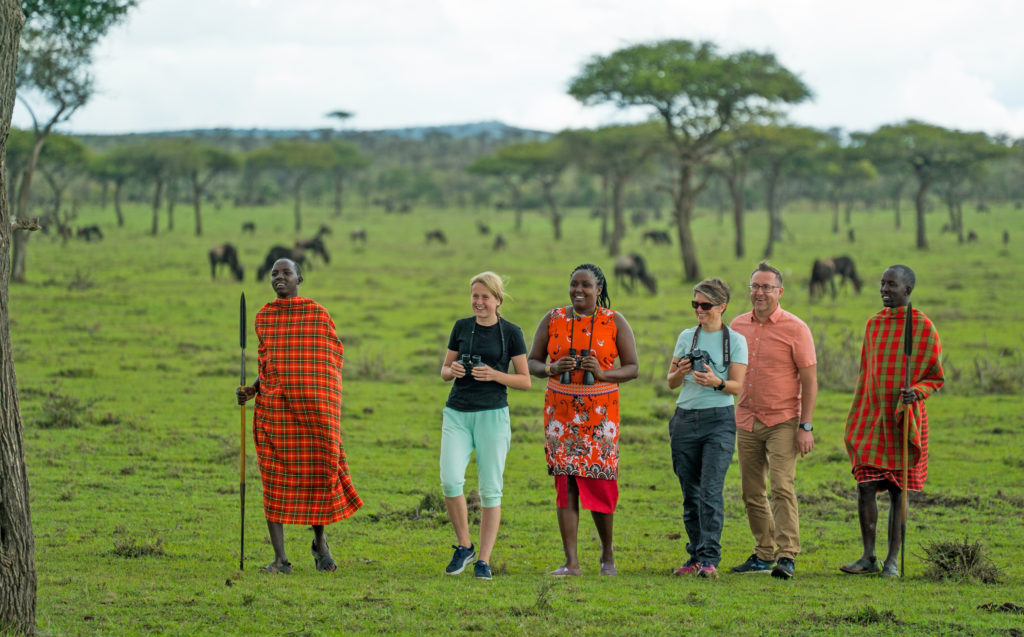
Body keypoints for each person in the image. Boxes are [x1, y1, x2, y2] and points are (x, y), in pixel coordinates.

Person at [236, 258, 362, 574]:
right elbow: (268, 367)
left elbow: (331, 362)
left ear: (299, 278)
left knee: (319, 474)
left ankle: (320, 545)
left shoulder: (317, 315)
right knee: (274, 479)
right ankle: (280, 560)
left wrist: (321, 400)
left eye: (286, 273)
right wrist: (251, 391)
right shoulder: (264, 318)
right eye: (275, 274)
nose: (280, 277)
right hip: (276, 414)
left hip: (315, 415)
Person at [528, 264, 638, 577]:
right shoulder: (553, 318)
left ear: (599, 289)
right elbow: (532, 361)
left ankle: (607, 553)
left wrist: (602, 373)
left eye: (586, 286)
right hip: (560, 414)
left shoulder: (613, 321)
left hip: (600, 416)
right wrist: (552, 367)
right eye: (574, 284)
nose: (578, 291)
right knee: (566, 484)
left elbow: (632, 368)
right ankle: (571, 562)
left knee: (600, 482)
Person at [841, 265, 943, 578]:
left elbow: (935, 377)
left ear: (908, 290)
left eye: (892, 285)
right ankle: (868, 556)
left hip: (904, 419)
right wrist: (859, 411)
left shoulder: (923, 327)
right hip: (873, 418)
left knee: (900, 490)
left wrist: (917, 391)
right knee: (865, 485)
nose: (885, 290)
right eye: (882, 284)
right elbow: (865, 375)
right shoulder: (874, 324)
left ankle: (892, 561)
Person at [728, 262, 817, 580]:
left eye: (766, 287)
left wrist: (805, 426)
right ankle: (763, 552)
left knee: (781, 486)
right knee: (751, 491)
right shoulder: (737, 325)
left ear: (780, 292)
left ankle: (787, 554)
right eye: (755, 286)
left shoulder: (796, 328)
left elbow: (809, 380)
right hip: (746, 418)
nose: (760, 292)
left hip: (783, 419)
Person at [439, 272, 531, 580]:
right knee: (450, 480)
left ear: (498, 300)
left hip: (492, 415)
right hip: (457, 413)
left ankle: (484, 561)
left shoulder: (512, 333)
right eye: (475, 296)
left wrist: (494, 375)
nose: (479, 302)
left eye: (485, 297)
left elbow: (525, 380)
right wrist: (451, 370)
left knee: (491, 490)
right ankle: (464, 546)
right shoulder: (461, 327)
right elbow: (444, 370)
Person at [667, 278, 748, 579]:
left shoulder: (735, 341)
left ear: (722, 306)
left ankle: (710, 559)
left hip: (719, 421)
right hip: (685, 419)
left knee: (711, 491)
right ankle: (694, 555)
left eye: (705, 305)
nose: (699, 310)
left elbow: (737, 386)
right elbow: (670, 382)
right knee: (690, 493)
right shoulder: (687, 336)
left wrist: (717, 382)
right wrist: (681, 370)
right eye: (695, 305)